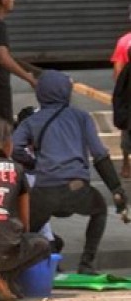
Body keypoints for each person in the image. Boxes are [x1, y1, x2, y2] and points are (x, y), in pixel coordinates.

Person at [12, 70, 127, 275]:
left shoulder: (31, 121)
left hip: (45, 189)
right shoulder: (81, 117)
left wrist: (33, 164)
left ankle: (17, 269)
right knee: (99, 210)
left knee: (27, 229)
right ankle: (86, 263)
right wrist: (116, 188)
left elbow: (14, 148)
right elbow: (100, 155)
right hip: (77, 187)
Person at [0, 116, 50, 298]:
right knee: (42, 244)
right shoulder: (17, 169)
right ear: (5, 143)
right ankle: (3, 278)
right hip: (5, 251)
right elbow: (25, 223)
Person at [110, 4, 131, 178]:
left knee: (127, 131)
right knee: (126, 131)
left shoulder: (124, 41)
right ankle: (126, 163)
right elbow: (118, 70)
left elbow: (118, 71)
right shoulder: (124, 42)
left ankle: (126, 165)